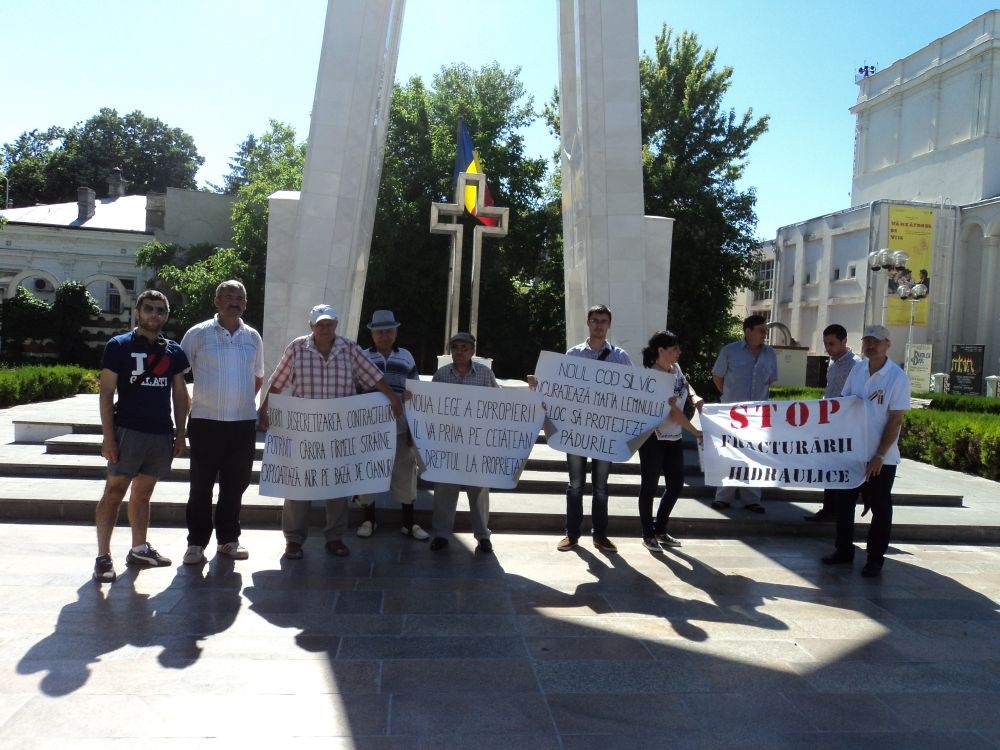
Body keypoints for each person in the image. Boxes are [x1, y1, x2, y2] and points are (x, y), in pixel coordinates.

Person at [258, 304, 404, 558]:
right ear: (311, 325)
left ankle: (335, 537)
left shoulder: (349, 348)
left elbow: (373, 376)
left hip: (339, 432)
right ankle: (294, 539)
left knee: (338, 485)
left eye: (329, 323)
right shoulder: (296, 348)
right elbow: (278, 381)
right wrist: (265, 407)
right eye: (320, 324)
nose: (325, 328)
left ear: (336, 324)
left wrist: (392, 397)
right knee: (298, 485)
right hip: (305, 429)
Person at [92, 290, 190, 583]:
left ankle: (139, 548)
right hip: (128, 431)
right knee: (114, 493)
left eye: (160, 310)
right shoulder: (118, 346)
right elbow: (106, 393)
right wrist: (108, 437)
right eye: (149, 308)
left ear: (166, 315)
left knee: (144, 493)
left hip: (160, 433)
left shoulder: (173, 350)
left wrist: (181, 433)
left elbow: (180, 393)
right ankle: (103, 556)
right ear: (137, 311)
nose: (154, 314)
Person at [180, 280, 264, 565]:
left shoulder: (252, 337)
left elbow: (259, 375)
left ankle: (228, 540)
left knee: (235, 485)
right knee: (201, 486)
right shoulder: (198, 334)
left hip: (241, 424)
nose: (234, 301)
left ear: (246, 303)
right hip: (206, 422)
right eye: (228, 296)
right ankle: (196, 543)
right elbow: (178, 375)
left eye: (240, 297)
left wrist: (242, 400)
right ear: (216, 301)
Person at [822, 324, 910, 578]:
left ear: (887, 345)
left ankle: (874, 559)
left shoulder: (897, 378)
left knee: (881, 508)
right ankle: (843, 550)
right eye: (867, 341)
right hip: (853, 453)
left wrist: (879, 455)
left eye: (877, 342)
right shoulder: (858, 369)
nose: (871, 346)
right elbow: (845, 404)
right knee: (844, 503)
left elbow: (895, 420)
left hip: (882, 458)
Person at [558, 304, 632, 553]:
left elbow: (632, 392)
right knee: (575, 484)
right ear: (587, 323)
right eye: (594, 320)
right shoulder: (573, 354)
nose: (599, 324)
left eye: (603, 320)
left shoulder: (621, 357)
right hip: (577, 430)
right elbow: (561, 387)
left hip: (606, 431)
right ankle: (571, 534)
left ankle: (600, 535)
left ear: (609, 324)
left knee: (601, 486)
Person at [354, 310, 429, 541]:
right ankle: (369, 519)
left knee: (405, 474)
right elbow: (354, 391)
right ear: (373, 334)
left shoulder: (406, 356)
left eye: (388, 331)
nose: (384, 335)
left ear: (395, 332)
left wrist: (414, 430)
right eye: (379, 331)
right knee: (368, 473)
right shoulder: (361, 356)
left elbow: (417, 392)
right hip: (370, 429)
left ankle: (409, 523)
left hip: (401, 426)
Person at [428, 332, 499, 554]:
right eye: (455, 346)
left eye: (464, 347)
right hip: (448, 442)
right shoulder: (441, 374)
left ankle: (482, 535)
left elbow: (500, 404)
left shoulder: (485, 374)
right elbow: (429, 405)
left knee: (478, 491)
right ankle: (441, 534)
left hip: (476, 443)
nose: (459, 351)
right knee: (444, 490)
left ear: (472, 351)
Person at [636, 331, 703, 552]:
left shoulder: (675, 369)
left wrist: (694, 397)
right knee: (650, 486)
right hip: (652, 438)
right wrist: (696, 431)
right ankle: (648, 534)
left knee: (675, 485)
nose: (679, 352)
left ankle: (660, 529)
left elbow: (685, 383)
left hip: (673, 437)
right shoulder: (653, 377)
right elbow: (673, 412)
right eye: (674, 349)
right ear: (660, 351)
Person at [710, 314, 779, 514]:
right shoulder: (730, 351)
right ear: (748, 331)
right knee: (729, 453)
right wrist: (728, 396)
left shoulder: (770, 353)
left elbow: (771, 381)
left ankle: (752, 499)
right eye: (761, 330)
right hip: (732, 413)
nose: (765, 334)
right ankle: (723, 497)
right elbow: (717, 376)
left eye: (765, 330)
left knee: (755, 455)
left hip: (758, 414)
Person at [805, 324, 863, 522]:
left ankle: (841, 510)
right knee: (828, 467)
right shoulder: (832, 363)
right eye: (825, 344)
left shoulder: (857, 365)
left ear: (844, 341)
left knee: (841, 468)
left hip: (847, 426)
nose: (828, 348)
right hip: (829, 424)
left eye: (832, 344)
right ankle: (828, 508)